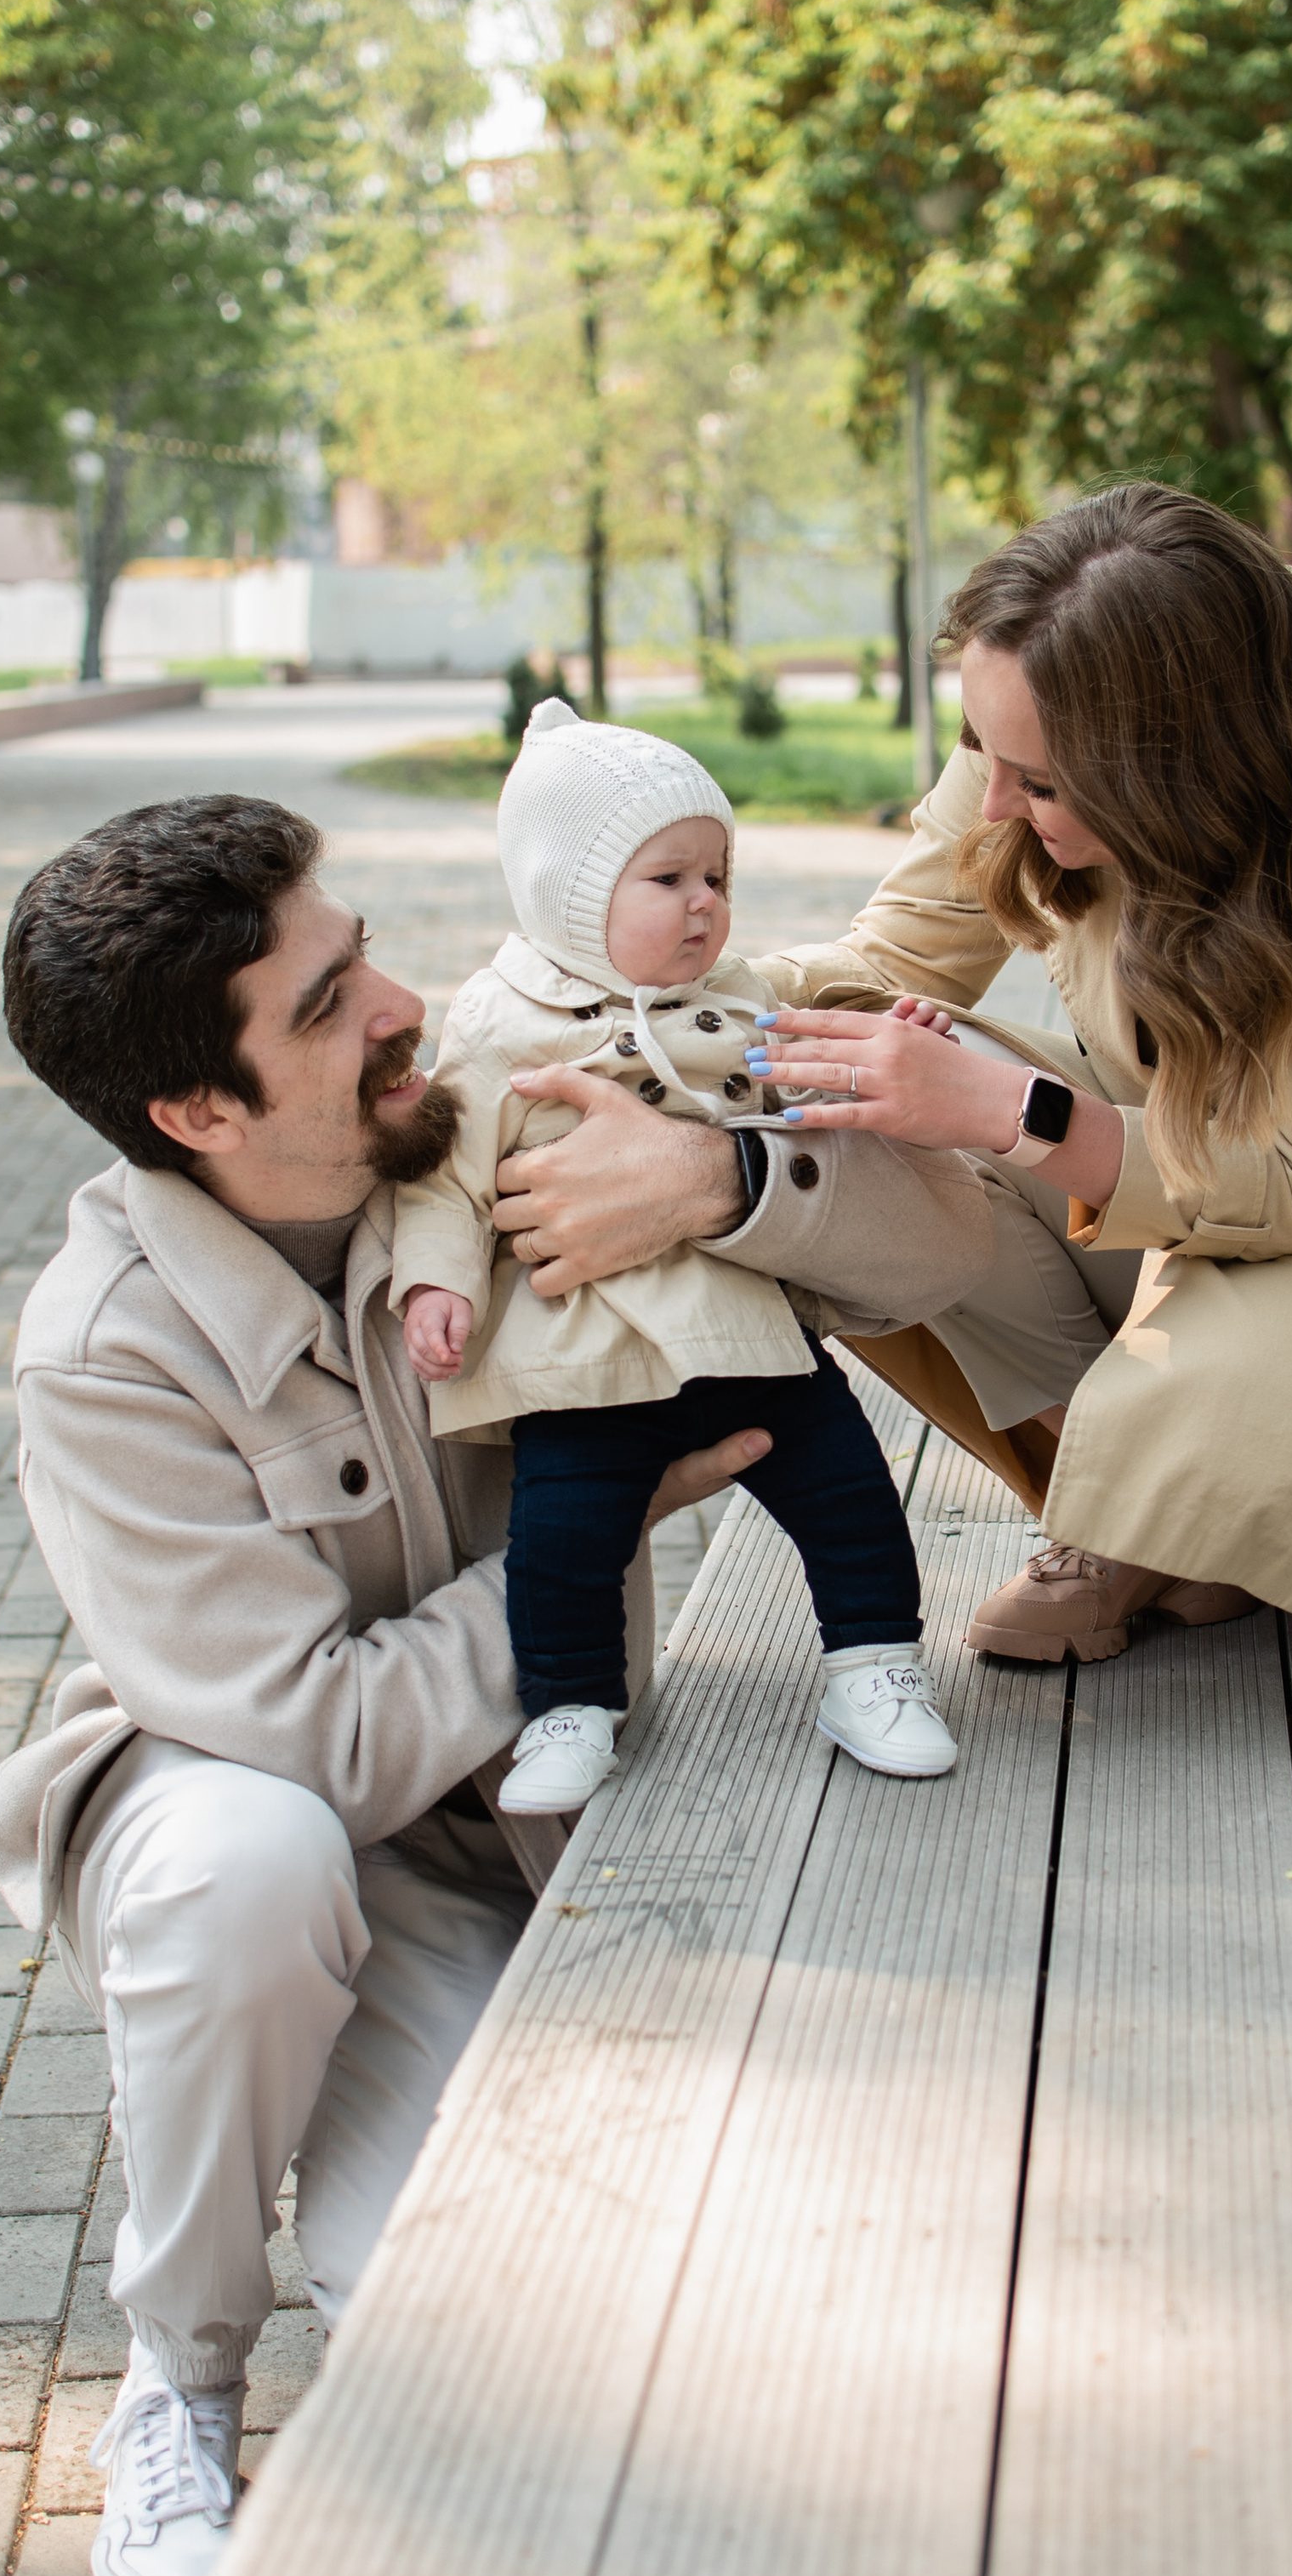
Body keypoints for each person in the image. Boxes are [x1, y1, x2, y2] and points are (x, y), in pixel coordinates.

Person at [0, 791, 993, 2576]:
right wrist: (599, 1525)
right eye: (331, 998)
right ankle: (178, 2379)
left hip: (496, 1823)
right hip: (246, 1802)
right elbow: (317, 1734)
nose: (406, 1005)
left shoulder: (495, 1128)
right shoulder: (104, 1348)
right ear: (196, 1113)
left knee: (486, 2326)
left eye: (364, 950)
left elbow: (934, 1259)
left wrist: (718, 1187)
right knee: (247, 1858)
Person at [741, 482, 1292, 1682]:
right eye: (985, 755)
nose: (997, 804)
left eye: (1044, 786)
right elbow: (892, 959)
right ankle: (1148, 1529)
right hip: (1188, 1196)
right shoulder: (1048, 698)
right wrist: (651, 1005)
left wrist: (1013, 1112)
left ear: (1182, 768)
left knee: (1244, 1392)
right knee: (838, 1148)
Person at [394, 702, 958, 1813]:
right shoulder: (501, 1023)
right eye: (668, 881)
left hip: (749, 1329)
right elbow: (444, 1179)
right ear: (568, 889)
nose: (706, 903)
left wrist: (882, 1070)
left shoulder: (737, 994)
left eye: (719, 875)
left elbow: (785, 1085)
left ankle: (873, 1667)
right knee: (562, 1538)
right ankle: (570, 1705)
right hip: (584, 1355)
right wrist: (435, 1283)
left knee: (850, 1497)